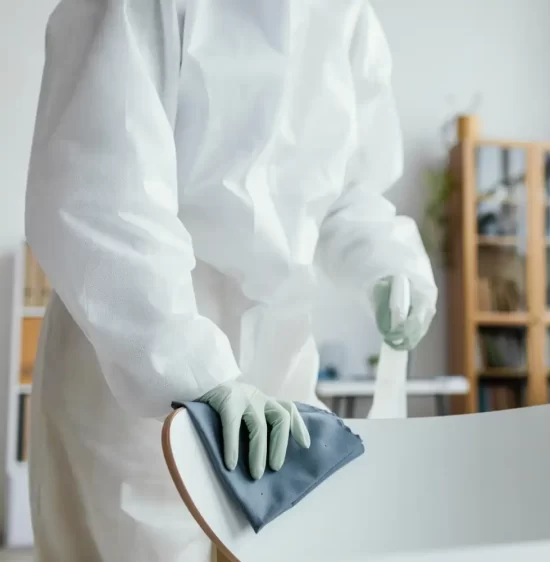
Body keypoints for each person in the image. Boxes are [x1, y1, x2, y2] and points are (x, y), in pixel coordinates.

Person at [24, 0, 437, 560]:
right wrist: (191, 368)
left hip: (279, 357)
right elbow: (101, 191)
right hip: (139, 353)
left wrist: (387, 264)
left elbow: (348, 192)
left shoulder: (347, 17)